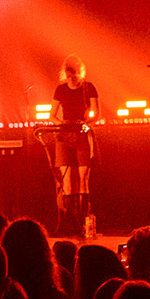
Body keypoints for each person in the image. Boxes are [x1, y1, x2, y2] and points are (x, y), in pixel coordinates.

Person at [47, 55, 99, 236]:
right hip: (64, 134)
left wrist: (87, 123)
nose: (72, 80)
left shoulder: (88, 87)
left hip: (82, 133)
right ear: (65, 74)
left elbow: (96, 113)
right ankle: (70, 222)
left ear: (81, 73)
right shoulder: (60, 89)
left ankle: (84, 219)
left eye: (75, 75)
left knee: (83, 177)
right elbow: (51, 115)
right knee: (66, 179)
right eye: (69, 76)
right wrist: (62, 124)